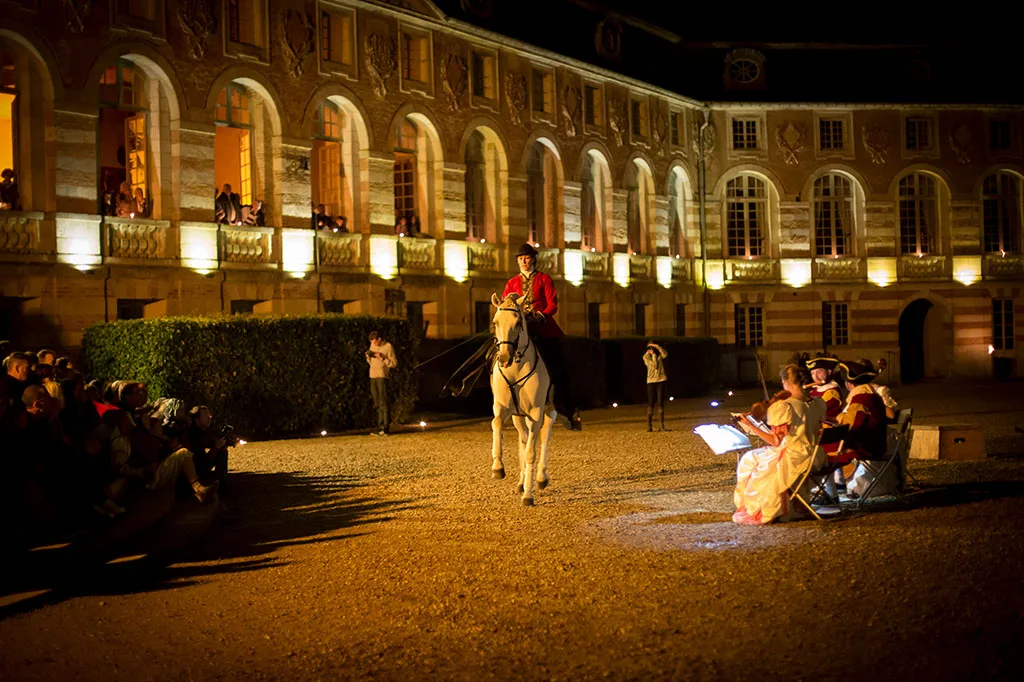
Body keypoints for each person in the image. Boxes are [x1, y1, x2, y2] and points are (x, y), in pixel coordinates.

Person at [733, 363, 827, 525]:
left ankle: (764, 507)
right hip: (815, 455)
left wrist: (751, 426)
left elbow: (775, 441)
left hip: (794, 458)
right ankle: (796, 504)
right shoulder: (816, 403)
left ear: (785, 383)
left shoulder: (785, 406)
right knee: (756, 456)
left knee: (750, 459)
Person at [501, 243, 581, 431]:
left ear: (533, 259)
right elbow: (505, 304)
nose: (523, 261)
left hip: (541, 328)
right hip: (518, 328)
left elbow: (552, 304)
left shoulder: (544, 279)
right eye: (520, 258)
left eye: (526, 258)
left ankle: (566, 409)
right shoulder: (512, 283)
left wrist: (540, 315)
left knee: (559, 367)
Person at [365, 330, 397, 436]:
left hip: (382, 376)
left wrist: (383, 358)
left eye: (375, 342)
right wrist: (368, 357)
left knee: (383, 401)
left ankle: (385, 427)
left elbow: (394, 363)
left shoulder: (388, 346)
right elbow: (371, 363)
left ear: (379, 339)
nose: (374, 344)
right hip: (372, 375)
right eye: (372, 342)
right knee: (377, 402)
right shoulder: (372, 345)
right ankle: (379, 427)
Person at [643, 341, 669, 432]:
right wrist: (652, 354)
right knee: (651, 403)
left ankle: (661, 425)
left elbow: (665, 354)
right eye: (649, 348)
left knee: (660, 402)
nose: (651, 349)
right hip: (651, 381)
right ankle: (649, 426)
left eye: (652, 348)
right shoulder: (646, 357)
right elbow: (654, 366)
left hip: (661, 379)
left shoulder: (660, 356)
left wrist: (657, 346)